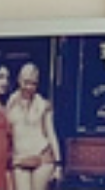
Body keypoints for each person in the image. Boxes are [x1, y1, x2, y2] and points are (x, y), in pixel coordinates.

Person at [7, 62, 62, 190]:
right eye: (26, 82)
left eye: (33, 83)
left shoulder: (43, 104)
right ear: (19, 80)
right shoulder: (11, 102)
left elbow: (51, 134)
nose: (29, 87)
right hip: (20, 159)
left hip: (42, 157)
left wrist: (58, 164)